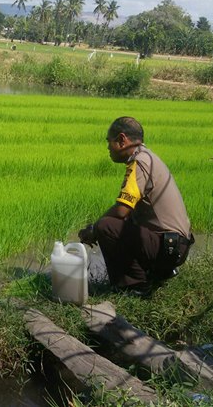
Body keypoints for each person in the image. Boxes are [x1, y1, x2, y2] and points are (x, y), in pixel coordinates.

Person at [78, 117, 193, 297]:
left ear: (122, 140)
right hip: (175, 246)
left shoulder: (140, 162)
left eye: (109, 142)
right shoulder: (148, 157)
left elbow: (122, 209)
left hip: (169, 247)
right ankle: (155, 274)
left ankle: (134, 286)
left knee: (106, 226)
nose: (108, 147)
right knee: (128, 222)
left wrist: (93, 228)